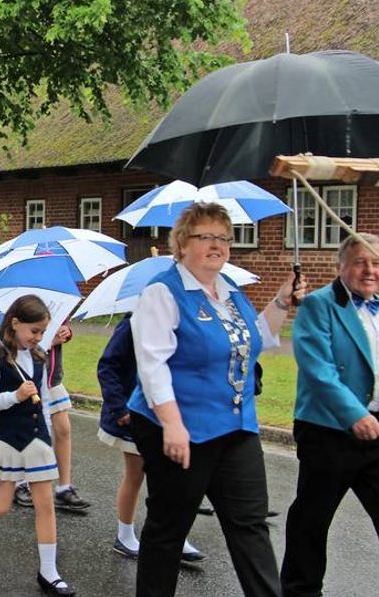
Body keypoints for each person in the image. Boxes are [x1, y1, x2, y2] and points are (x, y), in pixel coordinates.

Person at [127, 202, 305, 597]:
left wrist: (280, 300)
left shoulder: (229, 292)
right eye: (205, 236)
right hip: (177, 426)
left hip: (235, 424)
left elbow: (255, 340)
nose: (217, 245)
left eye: (224, 238)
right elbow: (152, 363)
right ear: (181, 244)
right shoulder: (163, 291)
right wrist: (172, 424)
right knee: (169, 529)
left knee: (250, 523)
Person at [281, 233, 379, 597]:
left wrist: (375, 412)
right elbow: (318, 368)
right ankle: (300, 591)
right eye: (359, 262)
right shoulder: (319, 305)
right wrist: (354, 414)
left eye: (377, 263)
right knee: (312, 518)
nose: (369, 270)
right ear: (340, 267)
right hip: (327, 430)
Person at [0, 295, 74, 596]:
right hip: (6, 439)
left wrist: (45, 430)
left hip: (36, 438)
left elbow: (45, 398)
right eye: (34, 331)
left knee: (45, 504)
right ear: (15, 323)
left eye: (42, 332)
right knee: (1, 505)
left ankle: (49, 571)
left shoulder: (38, 356)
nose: (38, 337)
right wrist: (16, 396)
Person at [97, 314, 204, 563]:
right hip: (136, 414)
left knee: (174, 478)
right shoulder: (134, 320)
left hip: (171, 413)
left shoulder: (183, 321)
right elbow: (107, 365)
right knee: (136, 475)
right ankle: (124, 535)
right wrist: (119, 408)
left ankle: (173, 535)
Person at [14, 322, 90, 513]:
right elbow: (20, 345)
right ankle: (21, 482)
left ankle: (64, 488)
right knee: (29, 433)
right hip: (30, 380)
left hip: (53, 380)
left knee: (63, 429)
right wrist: (49, 341)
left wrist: (67, 331)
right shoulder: (24, 310)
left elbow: (62, 327)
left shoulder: (53, 301)